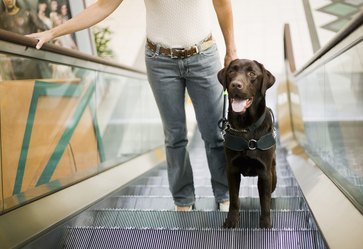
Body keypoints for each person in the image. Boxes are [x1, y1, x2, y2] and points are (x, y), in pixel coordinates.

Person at [26, 0, 238, 212]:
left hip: (203, 56)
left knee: (215, 134)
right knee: (174, 136)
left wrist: (231, 49)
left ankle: (225, 196)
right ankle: (183, 201)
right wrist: (52, 33)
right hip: (160, 61)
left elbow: (222, 5)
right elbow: (102, 6)